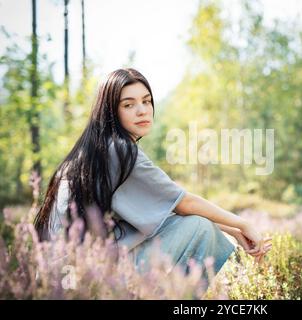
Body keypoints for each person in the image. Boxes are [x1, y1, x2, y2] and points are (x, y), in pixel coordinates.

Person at [33, 68, 271, 285]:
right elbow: (183, 203)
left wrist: (233, 231)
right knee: (199, 227)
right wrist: (243, 223)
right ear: (111, 112)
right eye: (128, 105)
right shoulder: (120, 150)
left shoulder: (96, 150)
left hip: (62, 279)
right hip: (88, 279)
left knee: (196, 223)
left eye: (146, 101)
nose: (142, 110)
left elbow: (165, 210)